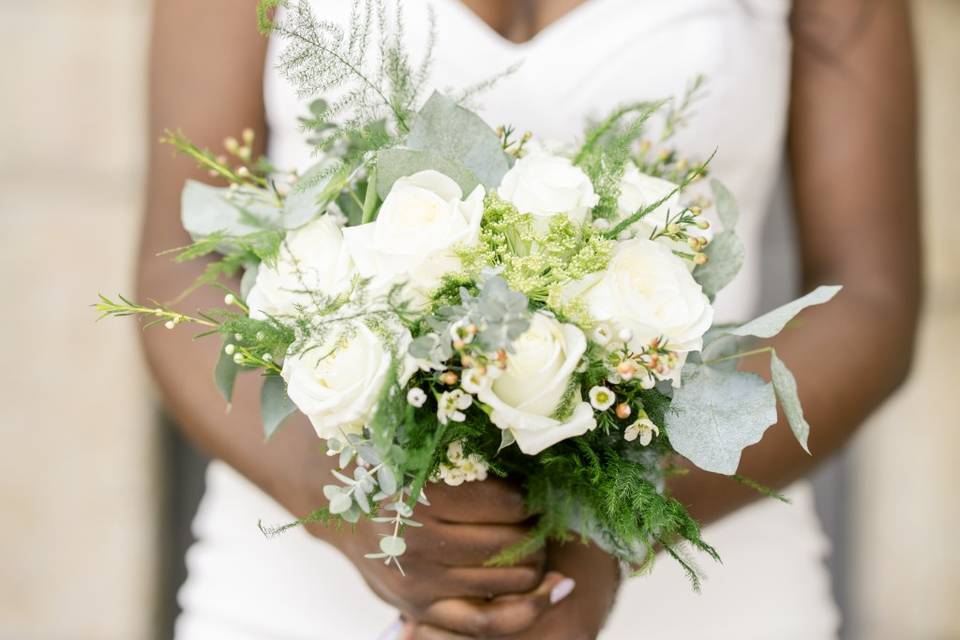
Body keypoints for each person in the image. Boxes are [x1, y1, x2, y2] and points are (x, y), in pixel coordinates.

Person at [139, 0, 920, 637]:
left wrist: (611, 526)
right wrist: (349, 504)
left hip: (706, 563)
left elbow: (870, 295)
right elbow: (180, 268)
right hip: (299, 575)